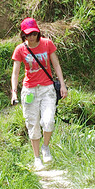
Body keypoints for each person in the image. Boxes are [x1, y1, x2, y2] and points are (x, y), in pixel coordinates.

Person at [10, 17, 68, 167]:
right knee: (32, 124)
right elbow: (15, 73)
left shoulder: (47, 43)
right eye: (28, 34)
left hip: (47, 89)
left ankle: (45, 147)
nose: (31, 37)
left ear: (38, 32)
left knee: (48, 121)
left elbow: (56, 64)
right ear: (23, 34)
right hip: (29, 91)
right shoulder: (20, 49)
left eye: (34, 33)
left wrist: (62, 84)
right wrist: (14, 92)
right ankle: (37, 158)